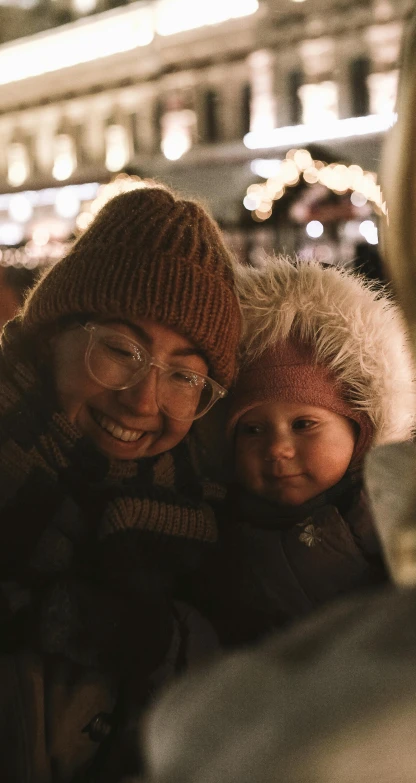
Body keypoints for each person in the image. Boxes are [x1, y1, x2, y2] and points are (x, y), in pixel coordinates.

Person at [0, 185, 241, 782]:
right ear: (53, 334)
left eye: (185, 374)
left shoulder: (209, 513)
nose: (143, 399)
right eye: (120, 349)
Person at [205, 254, 416, 646]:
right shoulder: (214, 529)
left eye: (304, 425)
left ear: (360, 427)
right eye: (252, 430)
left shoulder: (397, 517)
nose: (277, 449)